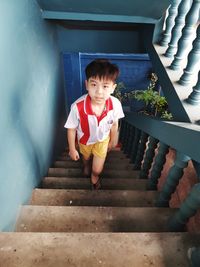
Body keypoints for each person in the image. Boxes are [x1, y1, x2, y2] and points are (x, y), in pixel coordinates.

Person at [64, 59, 124, 189]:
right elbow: (71, 128)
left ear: (113, 88)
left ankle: (95, 176)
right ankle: (86, 164)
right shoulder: (77, 107)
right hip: (85, 141)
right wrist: (72, 149)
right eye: (94, 85)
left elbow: (114, 124)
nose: (99, 92)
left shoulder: (115, 104)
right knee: (85, 158)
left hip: (102, 141)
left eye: (105, 86)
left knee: (97, 169)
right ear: (87, 85)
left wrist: (114, 139)